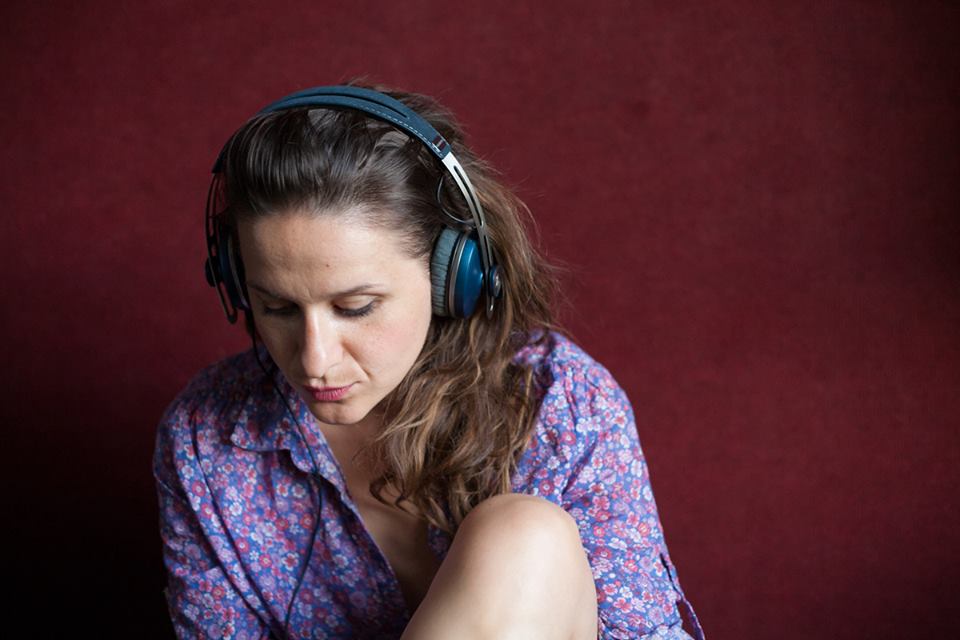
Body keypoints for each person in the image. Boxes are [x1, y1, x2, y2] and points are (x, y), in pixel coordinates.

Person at [153, 82, 704, 640]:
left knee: (522, 536)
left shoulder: (565, 404)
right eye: (278, 308)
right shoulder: (205, 439)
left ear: (452, 279)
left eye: (356, 307)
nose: (314, 358)